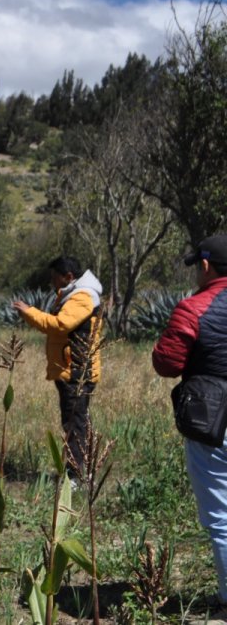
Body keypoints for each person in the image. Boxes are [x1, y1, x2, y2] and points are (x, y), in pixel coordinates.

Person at [153, 235, 227, 614]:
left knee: (221, 518)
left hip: (212, 423)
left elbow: (166, 363)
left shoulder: (192, 308)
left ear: (206, 266)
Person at [14, 257, 103, 477]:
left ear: (68, 277)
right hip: (71, 370)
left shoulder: (82, 297)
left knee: (74, 423)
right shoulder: (75, 294)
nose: (52, 281)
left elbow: (60, 324)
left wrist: (29, 312)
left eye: (55, 277)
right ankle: (84, 471)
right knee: (78, 421)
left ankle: (76, 476)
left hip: (76, 371)